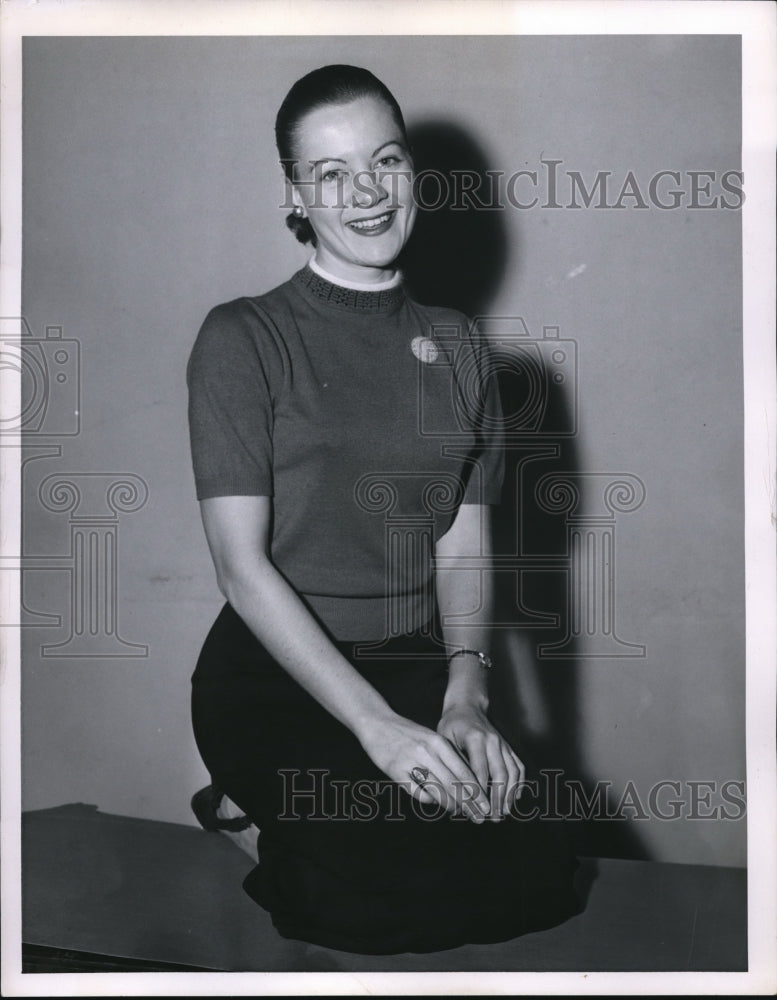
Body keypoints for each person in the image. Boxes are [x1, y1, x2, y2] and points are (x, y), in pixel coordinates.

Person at [187, 64, 580, 955]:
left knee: (540, 866)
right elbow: (240, 567)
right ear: (294, 193)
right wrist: (373, 729)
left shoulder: (458, 344)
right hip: (276, 677)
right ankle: (243, 809)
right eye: (329, 173)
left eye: (385, 161)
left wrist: (467, 694)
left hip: (410, 662)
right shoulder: (243, 337)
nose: (365, 193)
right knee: (381, 901)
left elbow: (461, 539)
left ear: (412, 174)